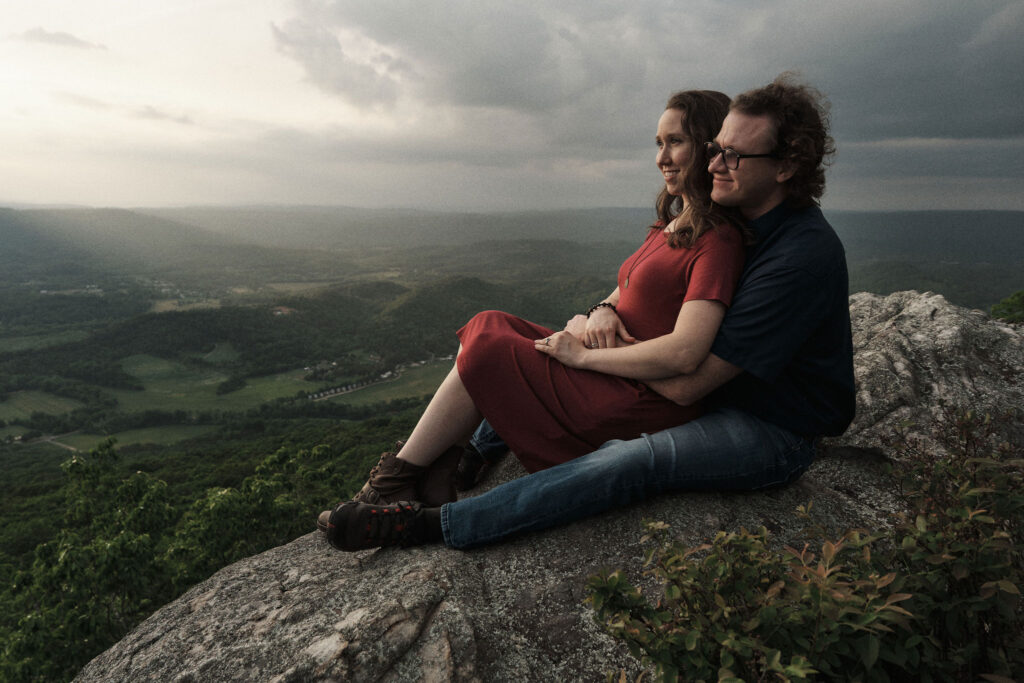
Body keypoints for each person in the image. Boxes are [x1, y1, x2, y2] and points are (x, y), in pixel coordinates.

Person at [319, 90, 749, 550]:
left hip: (633, 398)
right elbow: (627, 290)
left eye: (675, 142)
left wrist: (582, 357)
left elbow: (686, 351)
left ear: (706, 148)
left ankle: (395, 481)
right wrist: (599, 310)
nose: (662, 157)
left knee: (488, 348)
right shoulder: (675, 222)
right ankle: (433, 472)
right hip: (612, 372)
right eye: (658, 143)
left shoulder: (717, 240)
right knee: (489, 321)